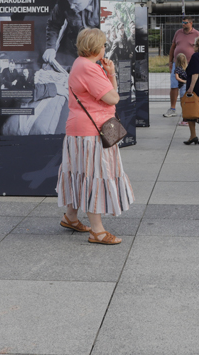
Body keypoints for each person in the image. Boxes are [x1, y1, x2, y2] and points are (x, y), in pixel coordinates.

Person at [56, 28, 134, 245]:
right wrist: (111, 76)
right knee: (94, 176)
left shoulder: (82, 64)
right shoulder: (89, 68)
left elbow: (110, 95)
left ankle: (71, 217)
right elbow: (113, 98)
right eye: (103, 45)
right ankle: (97, 231)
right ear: (96, 47)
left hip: (83, 130)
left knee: (80, 173)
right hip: (92, 132)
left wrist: (110, 74)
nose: (105, 48)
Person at [43, 0, 99, 69]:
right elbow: (53, 24)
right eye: (70, 3)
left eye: (76, 4)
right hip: (76, 49)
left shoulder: (102, 1)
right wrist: (50, 47)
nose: (71, 7)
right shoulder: (63, 2)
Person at [165, 17, 199, 117]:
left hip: (190, 65)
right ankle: (172, 109)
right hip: (177, 64)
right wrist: (170, 62)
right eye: (182, 22)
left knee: (188, 86)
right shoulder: (178, 33)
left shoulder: (197, 34)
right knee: (174, 86)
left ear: (191, 23)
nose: (183, 24)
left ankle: (187, 109)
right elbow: (173, 47)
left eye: (185, 23)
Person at [173, 53, 189, 126]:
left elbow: (177, 77)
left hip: (183, 86)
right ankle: (189, 118)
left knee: (183, 103)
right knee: (188, 103)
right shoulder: (187, 68)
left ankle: (185, 120)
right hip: (188, 86)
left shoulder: (178, 68)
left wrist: (183, 81)